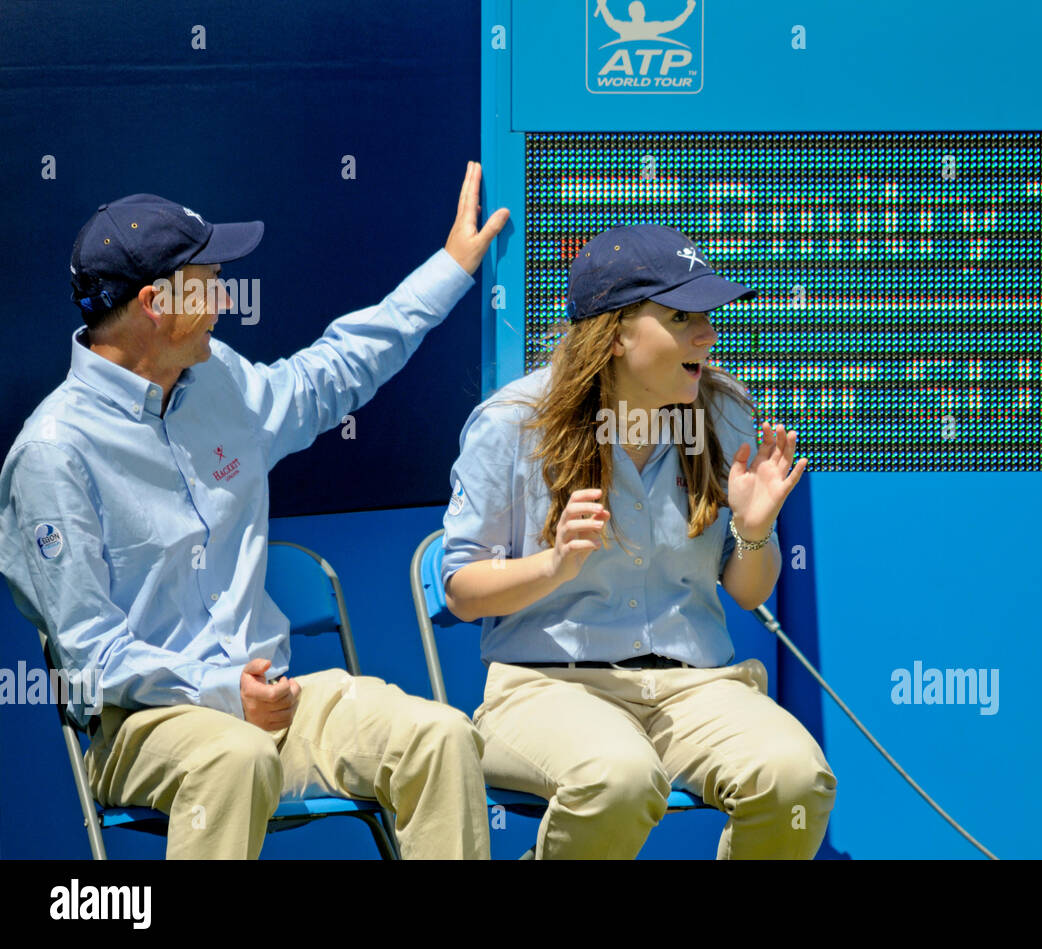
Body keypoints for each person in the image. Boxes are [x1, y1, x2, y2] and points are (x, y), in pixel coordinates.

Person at [0, 163, 509, 859]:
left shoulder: (220, 379)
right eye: (210, 282)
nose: (226, 300)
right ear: (156, 302)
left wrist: (450, 267)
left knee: (441, 737)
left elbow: (334, 372)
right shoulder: (52, 454)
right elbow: (91, 656)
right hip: (146, 726)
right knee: (235, 756)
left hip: (278, 700)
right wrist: (220, 692)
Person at [441, 223, 836, 859]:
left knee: (795, 779)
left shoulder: (728, 413)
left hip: (698, 688)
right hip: (549, 689)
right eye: (681, 316)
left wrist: (754, 532)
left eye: (706, 315)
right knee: (618, 779)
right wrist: (554, 565)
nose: (706, 334)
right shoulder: (514, 423)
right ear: (618, 333)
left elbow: (746, 591)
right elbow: (460, 592)